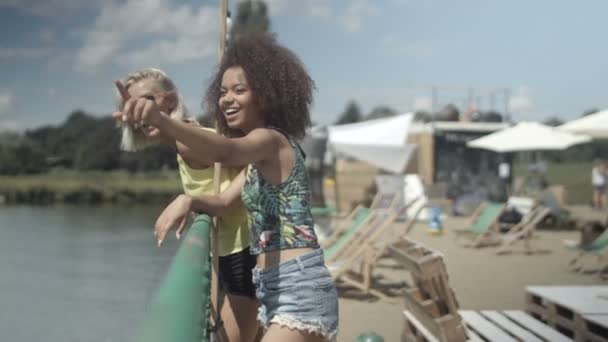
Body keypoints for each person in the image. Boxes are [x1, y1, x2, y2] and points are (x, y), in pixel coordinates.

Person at [113, 32, 339, 342]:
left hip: (299, 289)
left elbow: (223, 152)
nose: (226, 99)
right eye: (222, 92)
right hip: (273, 288)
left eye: (239, 90)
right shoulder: (258, 158)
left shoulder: (270, 141)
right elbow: (222, 202)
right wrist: (188, 200)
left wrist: (160, 120)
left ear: (265, 93)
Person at [115, 68, 260, 342]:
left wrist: (191, 201)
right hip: (229, 252)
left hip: (242, 254)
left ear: (169, 101)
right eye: (132, 104)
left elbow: (249, 159)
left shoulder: (187, 141)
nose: (139, 111)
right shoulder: (186, 139)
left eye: (146, 99)